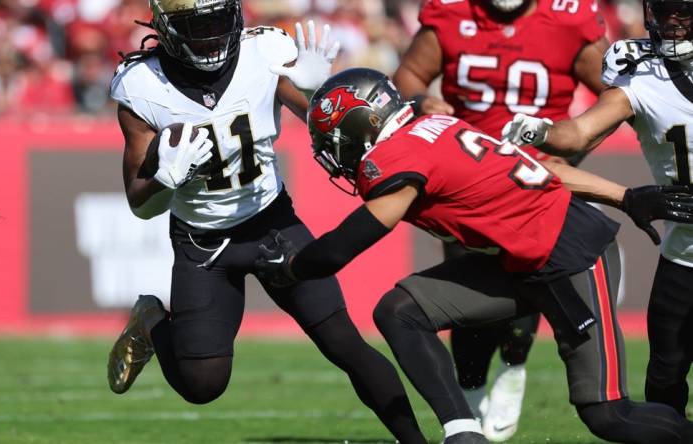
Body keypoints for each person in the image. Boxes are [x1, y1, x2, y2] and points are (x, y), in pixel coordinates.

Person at [255, 67, 693, 444]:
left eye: (338, 141)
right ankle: (463, 430)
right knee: (400, 310)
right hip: (521, 259)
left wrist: (292, 266)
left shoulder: (398, 155)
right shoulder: (436, 128)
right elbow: (547, 170)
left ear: (366, 124)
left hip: (570, 256)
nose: (336, 154)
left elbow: (344, 246)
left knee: (607, 415)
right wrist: (625, 196)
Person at [105, 2, 429, 443]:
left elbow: (324, 126)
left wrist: (321, 93)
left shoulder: (264, 52)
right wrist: (163, 178)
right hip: (203, 246)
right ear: (165, 27)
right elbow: (140, 203)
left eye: (218, 19)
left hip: (271, 223)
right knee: (203, 386)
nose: (211, 35)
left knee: (345, 343)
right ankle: (151, 320)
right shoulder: (142, 84)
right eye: (196, 26)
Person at [391, 0, 609, 437]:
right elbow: (409, 76)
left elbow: (619, 95)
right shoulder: (451, 14)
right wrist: (422, 101)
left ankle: (514, 366)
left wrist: (571, 146)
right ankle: (469, 389)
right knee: (464, 287)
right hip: (464, 180)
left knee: (528, 278)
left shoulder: (568, 18)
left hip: (534, 179)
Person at [502, 0, 693, 418]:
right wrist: (541, 130)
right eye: (664, 12)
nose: (672, 23)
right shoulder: (644, 76)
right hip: (684, 256)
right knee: (664, 377)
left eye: (684, 12)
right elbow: (582, 133)